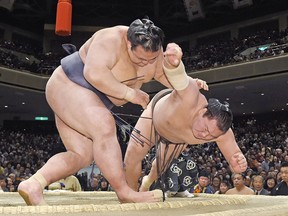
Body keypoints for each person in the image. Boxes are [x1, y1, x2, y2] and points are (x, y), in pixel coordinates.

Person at [17, 17, 184, 205]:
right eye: (139, 58)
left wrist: (182, 77)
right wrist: (130, 93)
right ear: (129, 43)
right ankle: (124, 192)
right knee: (104, 124)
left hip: (86, 100)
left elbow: (164, 75)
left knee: (81, 156)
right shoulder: (110, 39)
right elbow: (94, 73)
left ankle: (33, 184)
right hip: (69, 85)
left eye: (151, 59)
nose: (145, 64)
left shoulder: (154, 50)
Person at [124, 46, 248, 192]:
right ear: (203, 111)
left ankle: (147, 182)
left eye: (210, 136)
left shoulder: (222, 133)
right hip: (154, 117)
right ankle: (131, 194)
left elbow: (234, 158)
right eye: (205, 129)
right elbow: (179, 77)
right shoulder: (190, 95)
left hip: (176, 139)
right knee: (132, 156)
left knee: (160, 167)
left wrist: (239, 164)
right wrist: (173, 63)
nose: (204, 135)